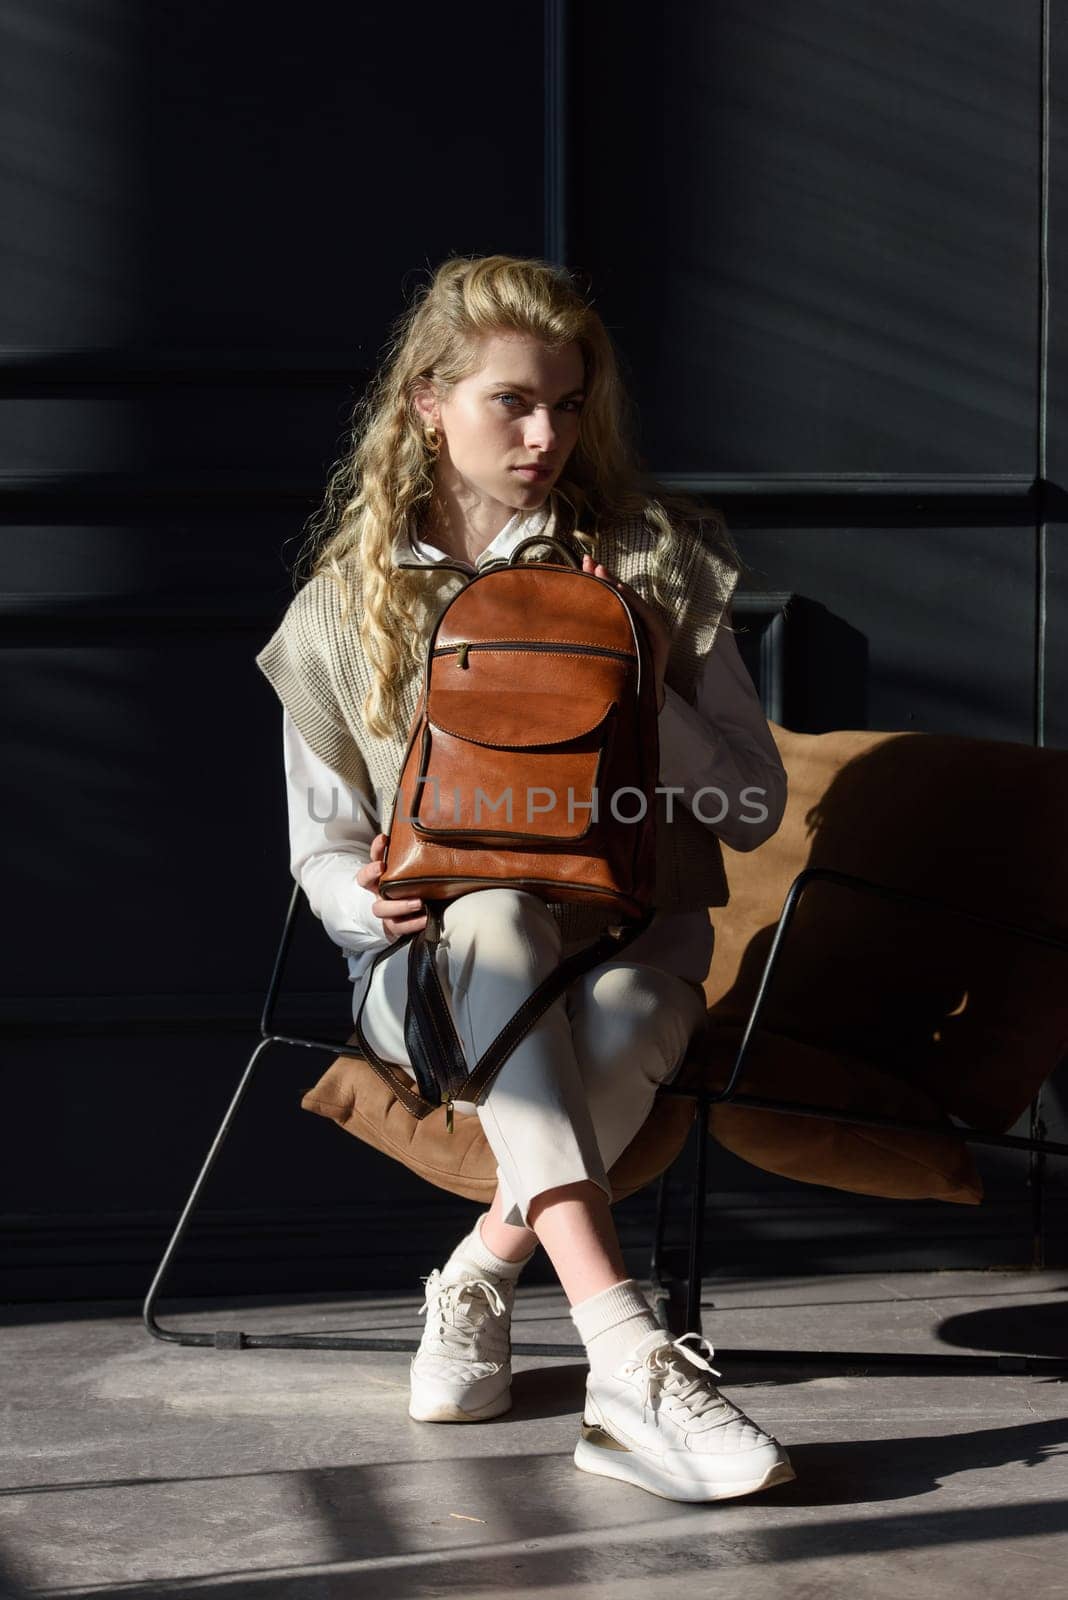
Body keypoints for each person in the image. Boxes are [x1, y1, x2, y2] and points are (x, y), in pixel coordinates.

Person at [255, 252, 795, 1503]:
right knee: (492, 911)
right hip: (430, 969)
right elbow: (321, 842)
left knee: (632, 1012)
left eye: (568, 402)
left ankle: (480, 1275)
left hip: (630, 942)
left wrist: (638, 680)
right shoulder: (348, 608)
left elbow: (751, 810)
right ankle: (626, 1353)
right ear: (427, 406)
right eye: (514, 401)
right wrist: (359, 898)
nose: (548, 434)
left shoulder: (654, 562)